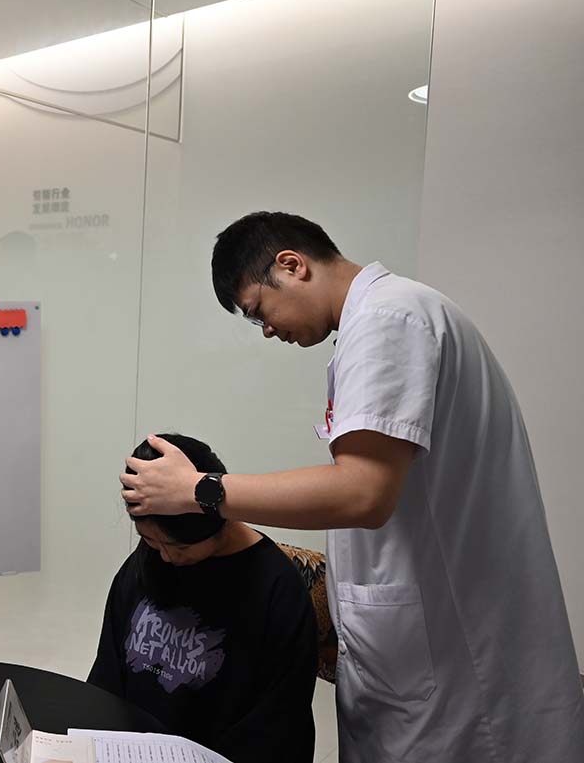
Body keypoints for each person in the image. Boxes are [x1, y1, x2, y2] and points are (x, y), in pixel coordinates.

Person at [120, 212, 584, 762]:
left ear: (291, 266)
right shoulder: (386, 320)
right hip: (417, 655)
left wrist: (201, 491)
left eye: (259, 311)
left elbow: (362, 492)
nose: (266, 330)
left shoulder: (390, 320)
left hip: (454, 669)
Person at [90, 434, 316, 763]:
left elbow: (277, 728)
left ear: (218, 522)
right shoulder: (146, 563)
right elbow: (108, 679)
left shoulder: (276, 588)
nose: (166, 557)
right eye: (150, 541)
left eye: (180, 547)